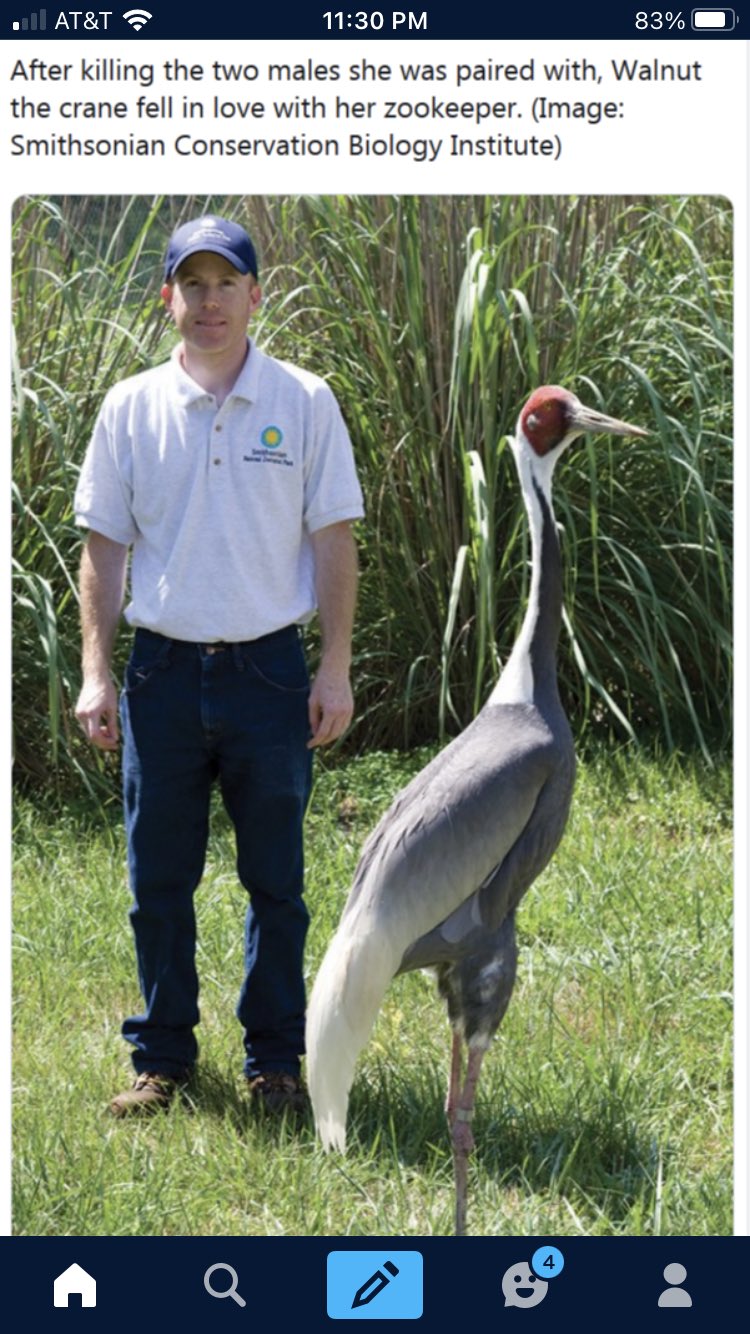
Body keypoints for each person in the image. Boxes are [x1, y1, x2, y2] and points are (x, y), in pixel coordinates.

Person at [74, 214, 364, 1116]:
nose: (209, 301)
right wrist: (97, 670)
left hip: (270, 674)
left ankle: (275, 1062)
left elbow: (334, 544)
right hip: (161, 676)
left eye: (225, 283)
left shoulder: (304, 402)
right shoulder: (130, 407)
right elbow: (102, 551)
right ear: (168, 298)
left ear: (254, 296)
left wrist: (335, 668)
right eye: (191, 284)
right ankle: (161, 1061)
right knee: (157, 883)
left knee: (276, 883)